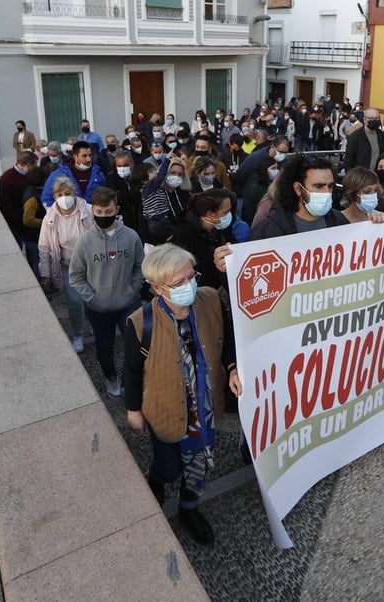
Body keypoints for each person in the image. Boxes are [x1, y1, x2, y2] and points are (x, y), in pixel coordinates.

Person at [123, 244, 242, 545]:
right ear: (157, 288)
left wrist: (231, 367)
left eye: (191, 277)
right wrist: (133, 410)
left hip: (204, 410)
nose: (189, 286)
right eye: (179, 283)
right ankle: (157, 479)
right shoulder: (140, 322)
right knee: (169, 467)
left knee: (198, 467)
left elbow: (229, 336)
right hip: (164, 410)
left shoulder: (210, 301)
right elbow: (132, 371)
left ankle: (189, 508)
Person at [69, 188, 146, 397]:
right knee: (104, 347)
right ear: (93, 211)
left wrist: (133, 289)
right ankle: (110, 377)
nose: (104, 216)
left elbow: (141, 266)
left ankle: (133, 380)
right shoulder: (84, 242)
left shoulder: (131, 236)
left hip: (128, 303)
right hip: (98, 308)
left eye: (108, 211)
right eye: (99, 212)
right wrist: (92, 298)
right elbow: (75, 276)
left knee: (135, 346)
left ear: (117, 209)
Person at [249, 154, 384, 240]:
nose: (327, 192)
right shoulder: (269, 231)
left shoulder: (339, 222)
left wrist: (378, 227)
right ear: (298, 189)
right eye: (319, 186)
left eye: (330, 186)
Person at [38, 176, 94, 352]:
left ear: (74, 193)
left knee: (92, 299)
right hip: (68, 267)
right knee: (74, 302)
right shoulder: (50, 218)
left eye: (67, 193)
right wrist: (45, 274)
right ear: (54, 197)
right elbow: (44, 247)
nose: (64, 198)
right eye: (59, 194)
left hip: (91, 265)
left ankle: (95, 326)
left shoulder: (88, 210)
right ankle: (78, 335)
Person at [170, 189, 237, 291]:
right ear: (210, 214)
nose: (230, 215)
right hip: (203, 290)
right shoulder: (185, 236)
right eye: (226, 212)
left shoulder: (221, 227)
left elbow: (233, 242)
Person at [141, 154, 190, 244]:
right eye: (172, 173)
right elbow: (145, 223)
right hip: (159, 242)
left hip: (183, 239)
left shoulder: (185, 194)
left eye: (180, 174)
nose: (176, 176)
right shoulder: (154, 193)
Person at [42, 140, 106, 207]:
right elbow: (46, 198)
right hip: (67, 212)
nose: (88, 159)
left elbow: (104, 195)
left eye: (90, 155)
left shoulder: (98, 174)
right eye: (84, 156)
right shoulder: (59, 174)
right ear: (75, 157)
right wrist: (57, 212)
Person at [0, 150, 37, 246]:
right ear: (28, 165)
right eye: (34, 165)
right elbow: (6, 205)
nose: (35, 168)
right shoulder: (7, 178)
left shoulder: (28, 175)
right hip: (14, 222)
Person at [20, 166, 48, 283]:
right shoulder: (33, 198)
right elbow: (28, 220)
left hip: (33, 237)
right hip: (33, 238)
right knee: (37, 263)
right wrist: (45, 222)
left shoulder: (31, 190)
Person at [343, 107, 384, 172]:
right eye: (371, 118)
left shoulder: (381, 135)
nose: (374, 120)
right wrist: (351, 176)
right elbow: (348, 160)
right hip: (360, 175)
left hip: (377, 175)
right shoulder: (355, 136)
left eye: (376, 118)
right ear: (364, 120)